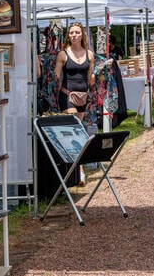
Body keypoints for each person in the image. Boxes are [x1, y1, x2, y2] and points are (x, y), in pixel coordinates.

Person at [54, 22, 95, 186]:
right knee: (75, 130)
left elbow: (90, 78)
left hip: (83, 96)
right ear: (68, 35)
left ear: (82, 35)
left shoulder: (89, 54)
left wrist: (95, 78)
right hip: (67, 95)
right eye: (71, 33)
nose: (74, 35)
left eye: (77, 32)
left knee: (79, 132)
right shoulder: (63, 54)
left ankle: (75, 170)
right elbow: (55, 78)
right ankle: (79, 171)